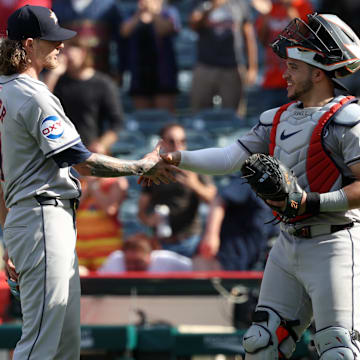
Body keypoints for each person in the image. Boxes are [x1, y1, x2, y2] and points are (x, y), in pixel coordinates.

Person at [159, 13, 360, 359]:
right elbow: (226, 159)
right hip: (286, 244)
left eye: (293, 67)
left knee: (338, 349)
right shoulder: (276, 118)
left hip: (335, 243)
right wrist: (173, 158)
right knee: (260, 343)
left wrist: (310, 202)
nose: (284, 73)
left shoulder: (349, 118)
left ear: (317, 72)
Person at [0, 5, 176, 360]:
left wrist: (8, 239)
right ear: (30, 44)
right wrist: (140, 166)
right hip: (43, 217)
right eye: (52, 40)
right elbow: (82, 160)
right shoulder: (32, 94)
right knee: (41, 345)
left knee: (64, 347)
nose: (61, 47)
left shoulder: (4, 91)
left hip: (28, 219)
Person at [138, 123, 216, 258]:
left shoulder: (195, 165)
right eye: (172, 141)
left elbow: (213, 199)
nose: (178, 146)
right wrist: (149, 220)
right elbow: (141, 210)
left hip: (190, 241)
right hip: (161, 243)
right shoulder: (155, 169)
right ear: (162, 144)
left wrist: (194, 184)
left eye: (182, 141)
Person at [44, 35, 124, 153]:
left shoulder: (103, 83)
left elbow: (117, 123)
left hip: (90, 148)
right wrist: (54, 74)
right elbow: (42, 103)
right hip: (61, 147)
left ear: (83, 53)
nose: (65, 58)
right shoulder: (58, 81)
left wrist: (102, 144)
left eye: (70, 55)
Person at [189, 0, 258, 115]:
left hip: (232, 67)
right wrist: (212, 7)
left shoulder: (240, 3)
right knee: (199, 114)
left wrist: (252, 68)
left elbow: (249, 36)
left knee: (233, 114)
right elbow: (193, 25)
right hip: (205, 66)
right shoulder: (200, 3)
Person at [199, 176, 278, 270]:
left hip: (256, 258)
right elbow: (219, 200)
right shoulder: (250, 181)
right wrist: (211, 235)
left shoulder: (281, 189)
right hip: (232, 255)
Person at [120, 0, 181, 113]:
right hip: (139, 72)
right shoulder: (132, 13)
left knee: (164, 115)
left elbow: (164, 29)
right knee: (142, 115)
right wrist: (139, 14)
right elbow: (124, 31)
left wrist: (153, 13)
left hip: (163, 72)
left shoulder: (169, 12)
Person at [255, 0, 313, 113]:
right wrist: (265, 14)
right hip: (271, 80)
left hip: (297, 81)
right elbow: (262, 40)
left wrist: (290, 9)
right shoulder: (268, 7)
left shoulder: (301, 4)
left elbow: (302, 36)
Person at [52, 0, 124, 80]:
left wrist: (119, 70)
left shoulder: (109, 6)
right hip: (66, 75)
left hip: (101, 70)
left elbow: (121, 40)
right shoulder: (58, 6)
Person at [98, 232, 193, 273]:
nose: (133, 267)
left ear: (149, 256)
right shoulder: (115, 260)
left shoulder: (166, 260)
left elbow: (196, 269)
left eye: (138, 262)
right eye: (128, 262)